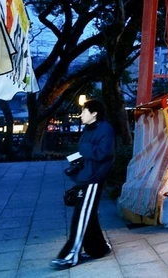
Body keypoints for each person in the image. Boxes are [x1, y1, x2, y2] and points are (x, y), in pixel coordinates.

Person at [50, 99, 116, 270]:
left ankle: (71, 255)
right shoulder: (90, 129)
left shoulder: (105, 129)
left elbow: (104, 153)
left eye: (84, 111)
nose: (81, 115)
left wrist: (84, 149)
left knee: (80, 216)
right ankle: (99, 248)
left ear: (94, 113)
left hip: (93, 178)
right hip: (86, 175)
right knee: (89, 214)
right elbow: (87, 151)